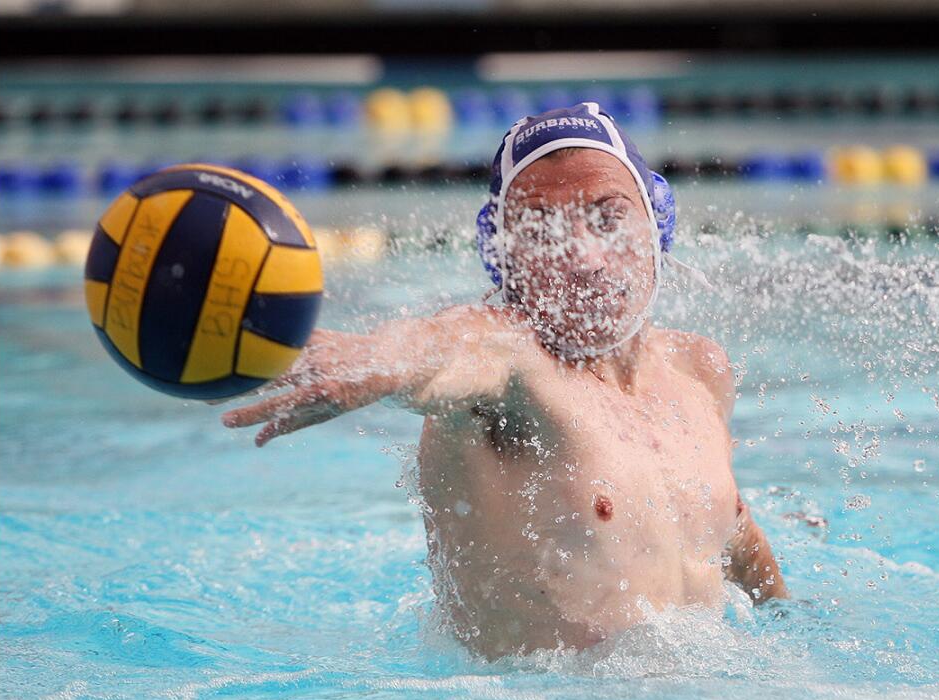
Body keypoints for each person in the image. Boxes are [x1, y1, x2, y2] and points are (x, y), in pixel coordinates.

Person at [223, 103, 789, 659]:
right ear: (504, 257)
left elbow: (731, 525)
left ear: (656, 221)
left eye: (608, 217)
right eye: (542, 231)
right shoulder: (509, 366)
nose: (584, 258)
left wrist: (788, 621)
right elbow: (438, 349)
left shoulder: (699, 370)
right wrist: (369, 362)